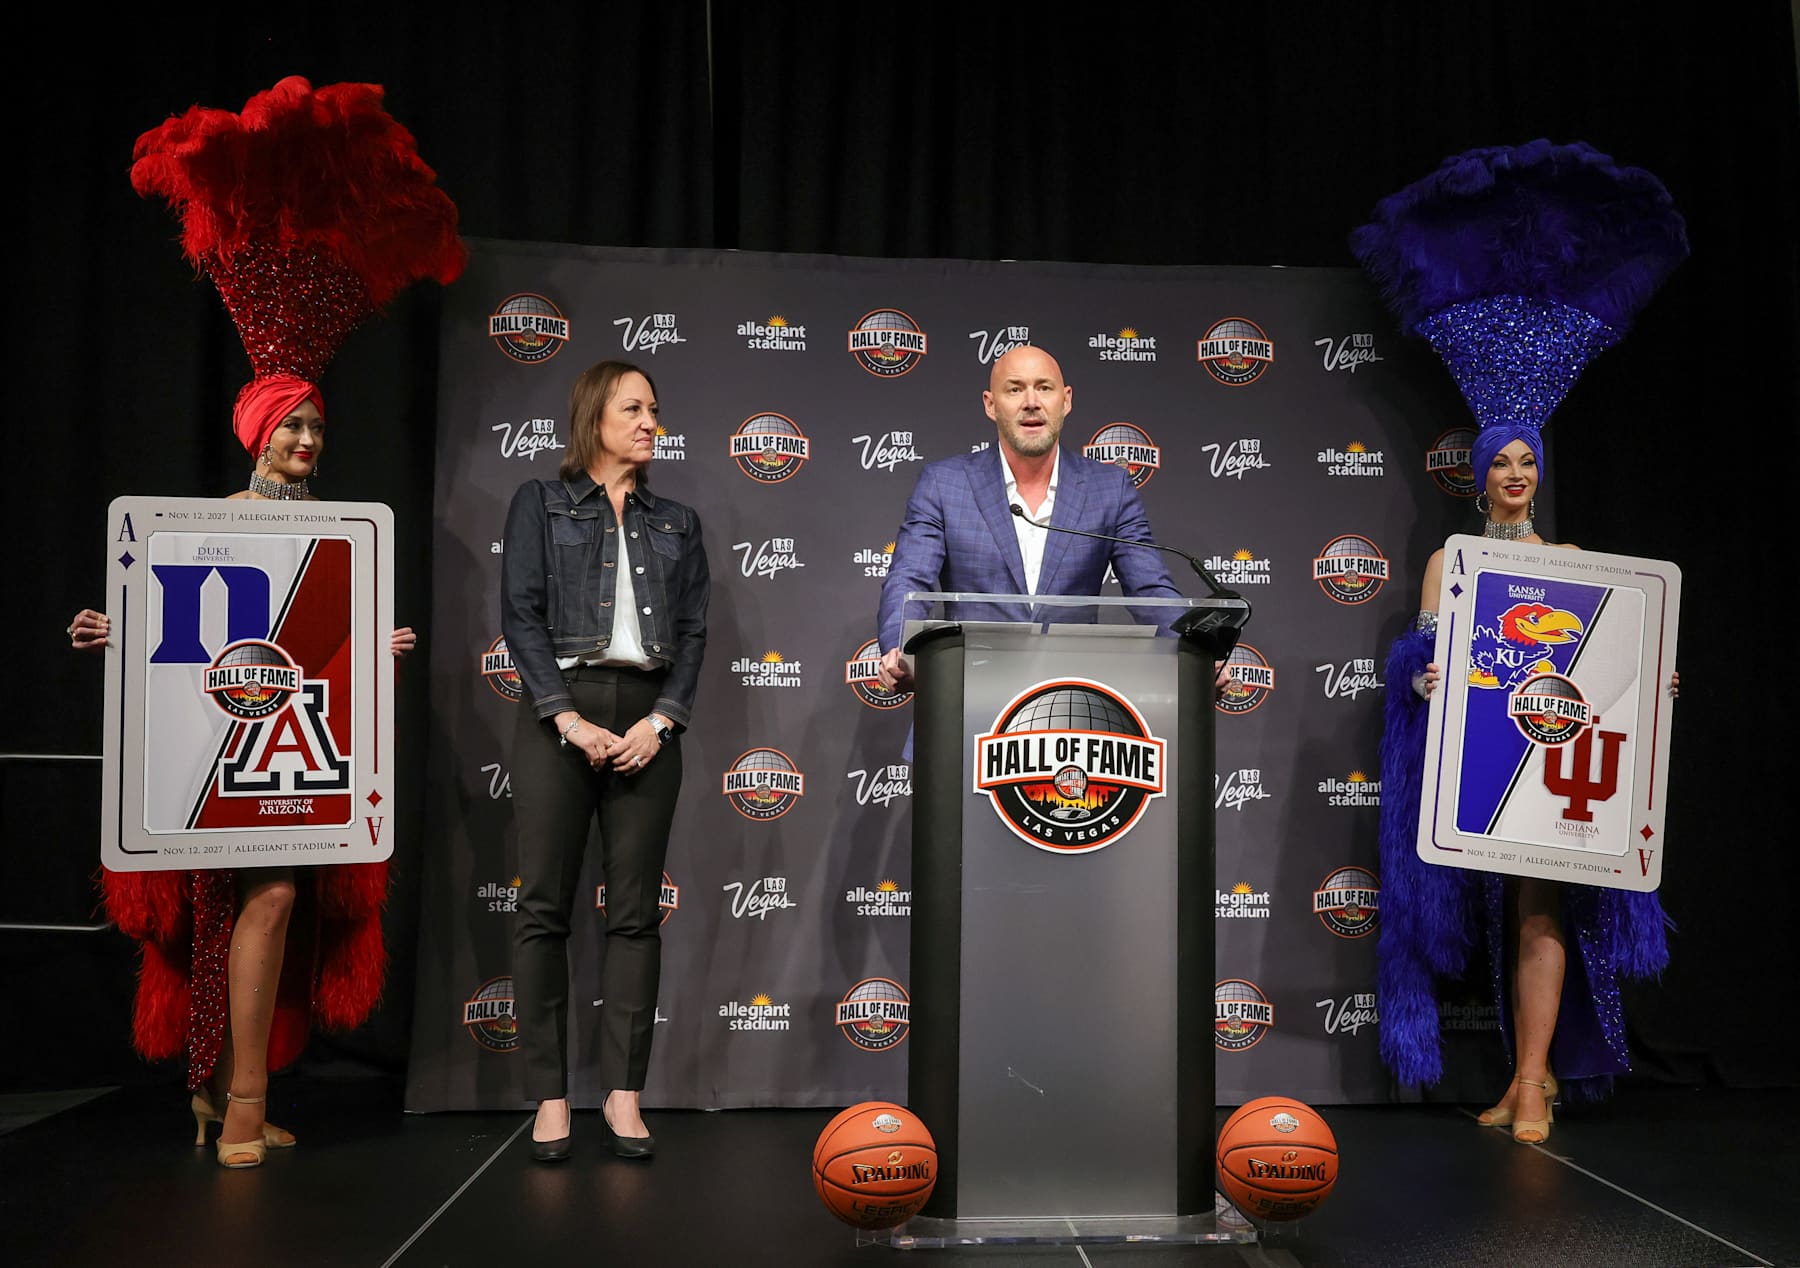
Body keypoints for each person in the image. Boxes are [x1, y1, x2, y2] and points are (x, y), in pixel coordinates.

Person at [77, 76, 463, 1169]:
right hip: (211, 750)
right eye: (289, 424)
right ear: (254, 431)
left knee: (282, 896)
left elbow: (314, 647)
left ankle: (241, 1096)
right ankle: (223, 1098)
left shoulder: (342, 536)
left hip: (286, 753)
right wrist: (112, 637)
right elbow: (173, 625)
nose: (305, 439)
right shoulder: (205, 526)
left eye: (316, 425)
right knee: (217, 915)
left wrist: (367, 654)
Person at [1355, 140, 1688, 1143]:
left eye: (1522, 459)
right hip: (1477, 767)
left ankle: (1537, 1080)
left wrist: (1651, 680)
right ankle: (1519, 1074)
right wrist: (1422, 676)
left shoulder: (1576, 556)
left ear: (1538, 471)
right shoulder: (1451, 563)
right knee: (1506, 921)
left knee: (1542, 911)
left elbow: (1615, 654)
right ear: (1478, 475)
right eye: (1496, 459)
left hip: (1549, 763)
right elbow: (1423, 654)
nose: (1510, 471)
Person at [502, 360, 709, 1162]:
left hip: (647, 720)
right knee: (543, 909)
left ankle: (624, 1096)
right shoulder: (541, 503)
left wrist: (663, 720)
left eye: (656, 408)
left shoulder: (679, 521)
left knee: (634, 915)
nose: (651, 421)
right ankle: (550, 1098)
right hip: (563, 711)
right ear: (594, 417)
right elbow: (520, 615)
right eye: (635, 408)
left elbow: (692, 634)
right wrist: (567, 716)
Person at [875, 344, 1218, 692]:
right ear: (990, 405)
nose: (1031, 402)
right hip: (964, 700)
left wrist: (1198, 656)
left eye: (1044, 387)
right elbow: (909, 582)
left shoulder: (1109, 488)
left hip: (1070, 709)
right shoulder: (944, 484)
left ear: (1065, 400)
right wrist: (899, 650)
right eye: (1014, 389)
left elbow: (1150, 592)